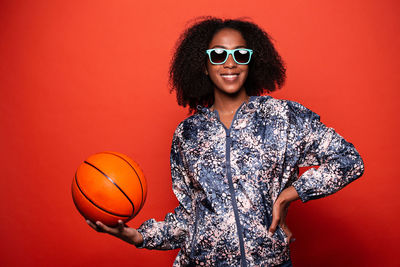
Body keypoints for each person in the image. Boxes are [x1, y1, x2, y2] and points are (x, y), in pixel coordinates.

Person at [87, 17, 364, 266]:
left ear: (250, 62)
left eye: (240, 54)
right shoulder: (188, 134)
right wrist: (137, 236)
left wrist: (286, 196)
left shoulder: (282, 117)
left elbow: (348, 161)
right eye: (218, 54)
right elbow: (189, 219)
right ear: (204, 66)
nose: (229, 62)